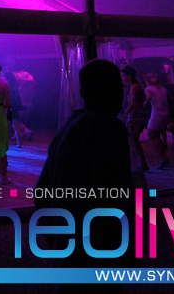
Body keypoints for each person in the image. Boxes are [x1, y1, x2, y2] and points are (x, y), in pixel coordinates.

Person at [35, 59, 134, 278]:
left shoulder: (67, 127)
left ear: (82, 92)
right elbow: (113, 196)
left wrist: (57, 242)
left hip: (68, 248)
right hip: (98, 250)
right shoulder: (111, 128)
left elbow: (41, 193)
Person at [121, 66, 148, 171]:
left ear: (129, 75)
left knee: (134, 140)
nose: (123, 77)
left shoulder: (134, 86)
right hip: (138, 114)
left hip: (135, 115)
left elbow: (132, 103)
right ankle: (142, 163)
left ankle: (139, 162)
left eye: (124, 75)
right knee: (134, 140)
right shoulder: (137, 85)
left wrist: (124, 115)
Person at [144, 72, 171, 169]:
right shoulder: (163, 88)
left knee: (151, 137)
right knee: (157, 136)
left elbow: (149, 97)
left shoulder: (148, 89)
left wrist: (145, 102)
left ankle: (163, 159)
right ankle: (164, 157)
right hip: (166, 113)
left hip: (157, 114)